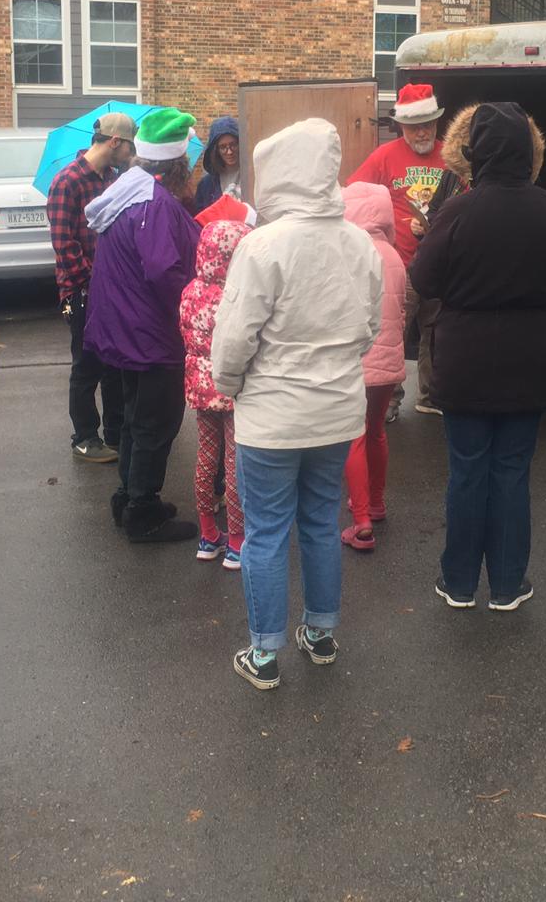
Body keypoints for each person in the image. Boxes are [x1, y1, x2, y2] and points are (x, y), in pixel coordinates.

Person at [212, 118, 382, 690]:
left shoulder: (262, 246)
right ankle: (321, 633)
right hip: (336, 412)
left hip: (271, 419)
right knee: (318, 522)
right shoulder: (360, 243)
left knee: (264, 532)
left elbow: (234, 340)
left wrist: (231, 386)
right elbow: (369, 327)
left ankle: (263, 655)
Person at [410, 102, 546, 611]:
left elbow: (424, 279)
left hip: (465, 360)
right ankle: (507, 583)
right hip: (530, 358)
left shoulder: (455, 211)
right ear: (528, 151)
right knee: (512, 471)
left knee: (467, 470)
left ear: (473, 153)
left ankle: (458, 582)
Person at [85, 108, 203, 544]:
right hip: (150, 336)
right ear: (177, 165)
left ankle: (129, 495)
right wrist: (195, 305)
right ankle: (143, 510)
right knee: (156, 423)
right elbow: (162, 271)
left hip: (123, 331)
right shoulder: (155, 204)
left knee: (136, 420)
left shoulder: (127, 195)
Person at [348, 82, 446, 415]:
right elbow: (354, 197)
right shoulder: (383, 157)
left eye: (428, 124)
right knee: (392, 332)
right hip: (398, 264)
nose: (422, 132)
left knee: (436, 332)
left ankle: (431, 396)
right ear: (402, 127)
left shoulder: (449, 157)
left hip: (437, 263)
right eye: (415, 126)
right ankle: (387, 400)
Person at [47, 112, 135, 465]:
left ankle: (115, 434)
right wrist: (93, 283)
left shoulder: (113, 179)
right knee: (86, 365)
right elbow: (63, 244)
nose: (131, 153)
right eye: (129, 145)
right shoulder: (66, 182)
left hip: (113, 288)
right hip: (82, 291)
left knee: (115, 364)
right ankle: (84, 437)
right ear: (115, 141)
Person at [180, 219, 251, 565]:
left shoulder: (190, 290)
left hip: (199, 385)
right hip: (232, 387)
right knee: (236, 463)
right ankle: (237, 541)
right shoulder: (237, 295)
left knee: (206, 458)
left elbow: (183, 331)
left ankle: (208, 534)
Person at [339, 182, 406, 552]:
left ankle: (361, 520)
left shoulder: (347, 253)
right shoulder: (394, 256)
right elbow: (402, 310)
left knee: (354, 435)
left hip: (356, 361)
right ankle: (376, 504)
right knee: (376, 431)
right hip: (389, 362)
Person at [191, 116, 242, 212]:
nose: (229, 152)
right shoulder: (206, 185)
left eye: (233, 145)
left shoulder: (253, 175)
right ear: (216, 150)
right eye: (223, 147)